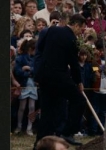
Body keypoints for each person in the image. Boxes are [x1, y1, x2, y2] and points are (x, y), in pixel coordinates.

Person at [33, 14, 87, 149]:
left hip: (44, 76)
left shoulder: (52, 29)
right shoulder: (71, 39)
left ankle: (38, 144)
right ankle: (68, 132)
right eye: (81, 29)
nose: (81, 32)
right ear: (76, 25)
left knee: (47, 113)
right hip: (59, 76)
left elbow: (40, 48)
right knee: (79, 101)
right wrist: (79, 82)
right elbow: (74, 64)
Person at [13, 38, 37, 136]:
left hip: (33, 85)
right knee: (22, 107)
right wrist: (28, 73)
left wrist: (28, 69)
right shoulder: (20, 58)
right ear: (31, 49)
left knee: (32, 106)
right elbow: (18, 72)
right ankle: (19, 126)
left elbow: (37, 70)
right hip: (24, 84)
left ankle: (29, 128)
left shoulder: (35, 59)